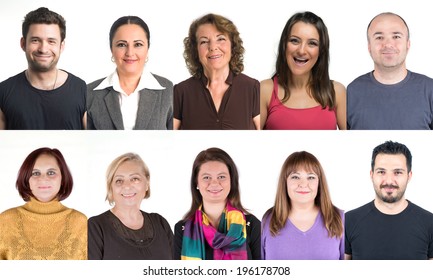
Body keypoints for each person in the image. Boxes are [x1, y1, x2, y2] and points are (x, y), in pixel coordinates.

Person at [0, 7, 87, 130]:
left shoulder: (82, 90)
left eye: (51, 41)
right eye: (35, 40)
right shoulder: (3, 91)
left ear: (61, 46)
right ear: (23, 44)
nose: (43, 49)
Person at [345, 141, 433, 259]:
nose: (389, 181)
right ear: (372, 175)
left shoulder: (429, 223)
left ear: (409, 176)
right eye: (381, 172)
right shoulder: (348, 221)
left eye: (397, 172)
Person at [260, 11, 346, 130]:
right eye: (295, 40)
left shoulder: (337, 92)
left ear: (321, 51)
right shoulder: (264, 90)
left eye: (312, 43)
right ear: (284, 44)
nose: (301, 50)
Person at [347, 12, 433, 130]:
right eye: (379, 37)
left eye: (396, 36)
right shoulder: (351, 91)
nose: (387, 44)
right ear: (369, 46)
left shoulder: (429, 89)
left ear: (408, 44)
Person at [173, 14, 260, 130]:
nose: (213, 47)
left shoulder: (252, 88)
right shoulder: (180, 92)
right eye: (204, 42)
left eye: (221, 39)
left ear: (232, 45)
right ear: (196, 49)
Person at [87, 16, 173, 130]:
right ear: (111, 49)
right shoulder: (89, 93)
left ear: (148, 48)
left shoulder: (168, 90)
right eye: (121, 45)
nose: (130, 52)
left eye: (138, 44)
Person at [0, 147, 87, 260]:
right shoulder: (5, 221)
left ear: (62, 178)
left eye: (51, 172)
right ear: (27, 179)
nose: (43, 178)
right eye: (35, 173)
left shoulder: (81, 222)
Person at [174, 147, 261, 259]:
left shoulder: (252, 225)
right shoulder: (182, 228)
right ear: (197, 182)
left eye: (221, 177)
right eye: (206, 177)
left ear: (231, 180)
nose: (214, 183)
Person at [87, 153, 173, 259]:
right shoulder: (96, 227)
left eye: (135, 179)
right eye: (119, 181)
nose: (127, 186)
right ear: (111, 188)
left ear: (147, 184)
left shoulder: (161, 224)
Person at [261, 151, 344, 259]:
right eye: (295, 177)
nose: (303, 184)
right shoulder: (268, 220)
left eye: (311, 177)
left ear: (319, 183)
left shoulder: (340, 218)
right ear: (285, 182)